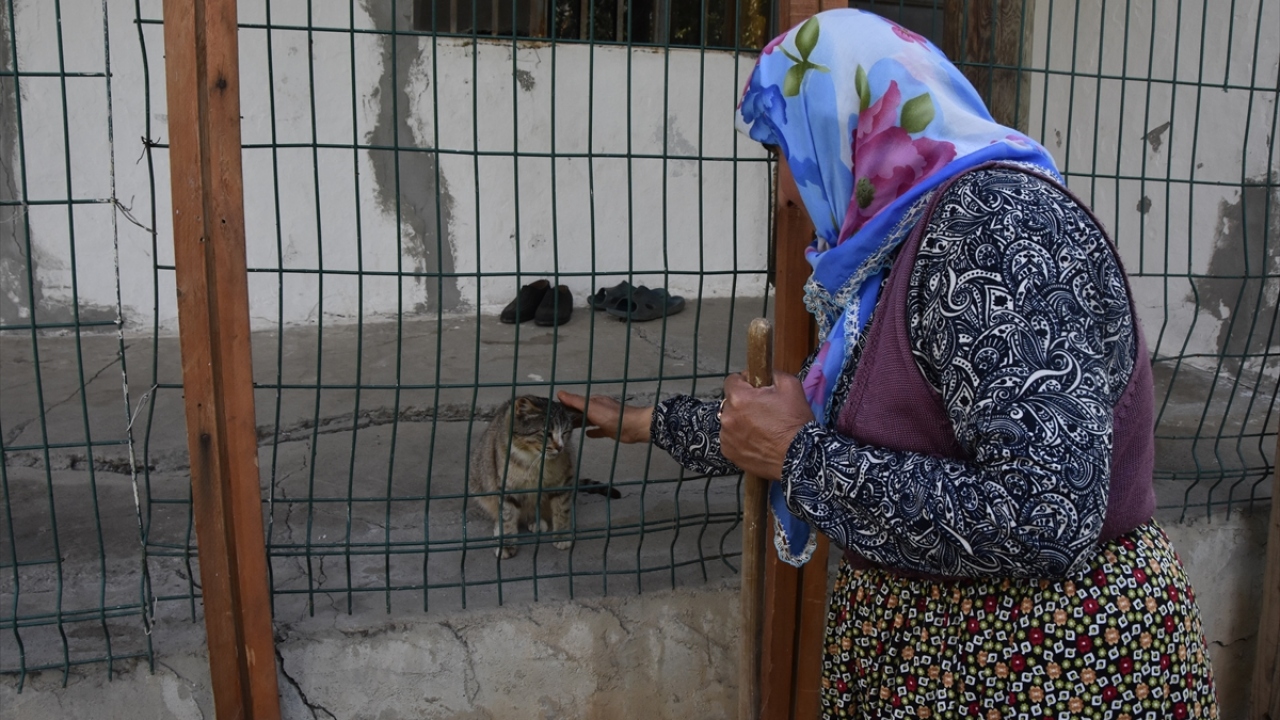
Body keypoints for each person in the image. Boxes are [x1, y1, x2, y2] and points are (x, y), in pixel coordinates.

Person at [559, 8, 1217, 718]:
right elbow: (823, 422)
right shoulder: (898, 243)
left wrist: (799, 458)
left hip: (1044, 669)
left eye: (787, 143)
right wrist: (645, 423)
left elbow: (1043, 514)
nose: (785, 182)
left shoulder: (992, 227)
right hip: (954, 664)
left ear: (848, 120)